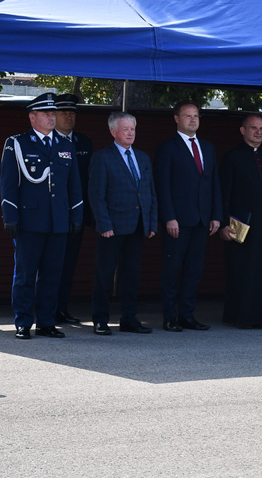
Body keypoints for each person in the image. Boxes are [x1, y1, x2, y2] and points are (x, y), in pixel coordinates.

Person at [1, 93, 83, 340]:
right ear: (32, 117)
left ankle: (46, 322)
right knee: (25, 274)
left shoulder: (65, 145)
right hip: (30, 221)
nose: (51, 117)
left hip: (58, 221)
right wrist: (10, 216)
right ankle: (23, 322)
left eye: (53, 113)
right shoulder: (17, 143)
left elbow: (74, 185)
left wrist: (76, 214)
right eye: (46, 114)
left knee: (52, 275)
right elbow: (8, 185)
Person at [155, 100, 222, 332]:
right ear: (176, 119)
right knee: (172, 270)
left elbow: (213, 183)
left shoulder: (208, 147)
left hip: (202, 220)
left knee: (194, 270)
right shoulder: (168, 148)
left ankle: (187, 315)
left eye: (196, 116)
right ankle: (170, 317)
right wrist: (169, 217)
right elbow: (162, 186)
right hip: (178, 221)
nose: (193, 120)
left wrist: (216, 215)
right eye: (188, 116)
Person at [89, 111, 157, 335]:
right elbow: (96, 195)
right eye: (126, 129)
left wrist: (151, 223)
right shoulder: (102, 157)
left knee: (131, 275)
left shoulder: (142, 157)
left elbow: (149, 192)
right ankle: (100, 319)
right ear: (113, 132)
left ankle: (129, 318)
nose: (130, 133)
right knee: (105, 274)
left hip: (137, 225)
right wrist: (104, 224)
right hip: (112, 226)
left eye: (133, 129)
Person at [219, 114, 262, 328]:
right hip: (243, 227)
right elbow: (224, 195)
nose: (258, 132)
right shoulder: (232, 157)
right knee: (244, 271)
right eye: (254, 128)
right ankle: (244, 317)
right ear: (243, 130)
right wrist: (223, 224)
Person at [53, 94, 93, 325]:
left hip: (76, 216)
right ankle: (45, 310)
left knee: (68, 265)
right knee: (49, 266)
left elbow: (88, 182)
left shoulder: (84, 143)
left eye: (72, 113)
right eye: (63, 113)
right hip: (52, 215)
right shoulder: (48, 142)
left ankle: (61, 309)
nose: (68, 117)